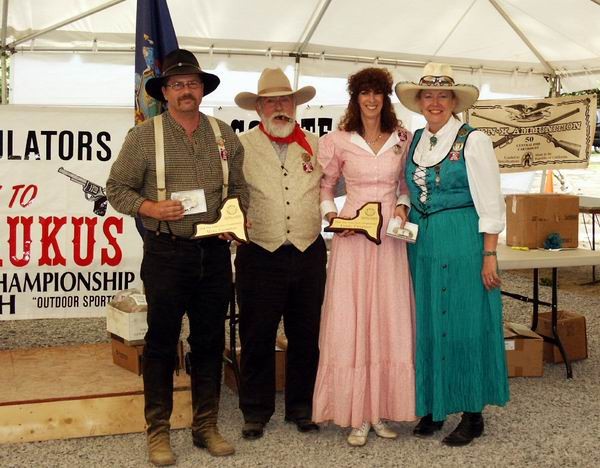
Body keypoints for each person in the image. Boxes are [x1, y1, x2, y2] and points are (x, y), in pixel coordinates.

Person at [106, 49, 248, 465]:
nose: (186, 91)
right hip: (167, 253)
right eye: (177, 85)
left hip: (215, 253)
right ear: (164, 92)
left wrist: (235, 219)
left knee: (209, 340)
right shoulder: (144, 137)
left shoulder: (224, 135)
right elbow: (117, 190)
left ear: (202, 90)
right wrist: (150, 208)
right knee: (161, 343)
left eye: (193, 84)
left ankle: (206, 425)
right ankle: (159, 431)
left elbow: (239, 189)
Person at [395, 62, 509, 447]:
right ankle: (434, 404)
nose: (434, 102)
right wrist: (401, 207)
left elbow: (491, 202)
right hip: (422, 242)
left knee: (463, 320)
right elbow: (408, 188)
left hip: (462, 239)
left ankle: (472, 412)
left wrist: (489, 254)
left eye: (442, 96)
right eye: (428, 96)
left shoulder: (472, 140)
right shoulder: (415, 139)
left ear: (454, 101)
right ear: (420, 102)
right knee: (427, 318)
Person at [312, 67, 416, 447]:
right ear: (355, 98)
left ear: (385, 98)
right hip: (353, 235)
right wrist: (333, 217)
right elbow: (325, 187)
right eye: (364, 93)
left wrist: (403, 209)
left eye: (377, 93)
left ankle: (382, 409)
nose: (371, 100)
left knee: (388, 314)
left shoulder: (401, 139)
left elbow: (405, 186)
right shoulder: (338, 140)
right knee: (353, 316)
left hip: (389, 236)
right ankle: (356, 413)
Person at [232, 68, 327, 441]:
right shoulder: (239, 145)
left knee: (306, 333)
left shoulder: (319, 144)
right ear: (259, 107)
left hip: (307, 252)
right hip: (259, 253)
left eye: (285, 100)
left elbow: (335, 186)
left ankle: (302, 407)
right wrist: (231, 221)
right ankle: (255, 410)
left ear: (295, 104)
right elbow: (225, 192)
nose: (279, 107)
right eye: (271, 101)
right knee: (257, 334)